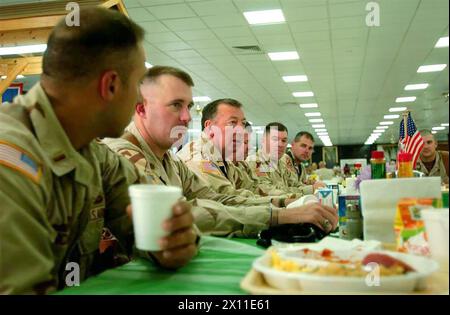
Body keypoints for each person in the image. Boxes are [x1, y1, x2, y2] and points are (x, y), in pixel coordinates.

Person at [0, 8, 197, 294]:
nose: (139, 102)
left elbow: (157, 219)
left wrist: (173, 240)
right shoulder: (10, 162)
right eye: (138, 85)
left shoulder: (91, 152)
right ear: (111, 86)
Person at [104, 66, 338, 238]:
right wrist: (279, 215)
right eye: (176, 105)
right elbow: (180, 216)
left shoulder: (170, 161)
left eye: (189, 107)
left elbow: (218, 198)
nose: (186, 118)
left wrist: (284, 204)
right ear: (141, 109)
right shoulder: (125, 156)